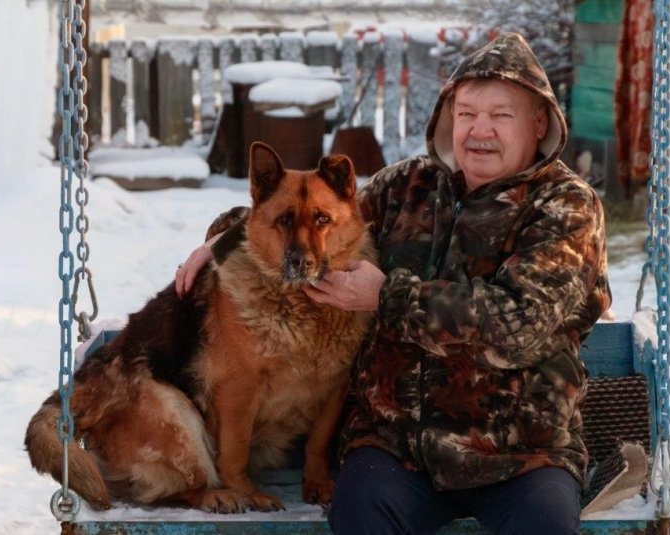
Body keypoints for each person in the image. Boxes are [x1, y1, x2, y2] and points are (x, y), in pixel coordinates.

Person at [176, 32, 611, 535]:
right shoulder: (407, 187)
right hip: (396, 449)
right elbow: (320, 218)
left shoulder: (566, 206)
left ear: (539, 123)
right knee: (360, 515)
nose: (480, 130)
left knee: (545, 527)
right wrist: (227, 238)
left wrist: (387, 296)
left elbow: (518, 324)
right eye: (467, 113)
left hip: (522, 454)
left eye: (501, 115)